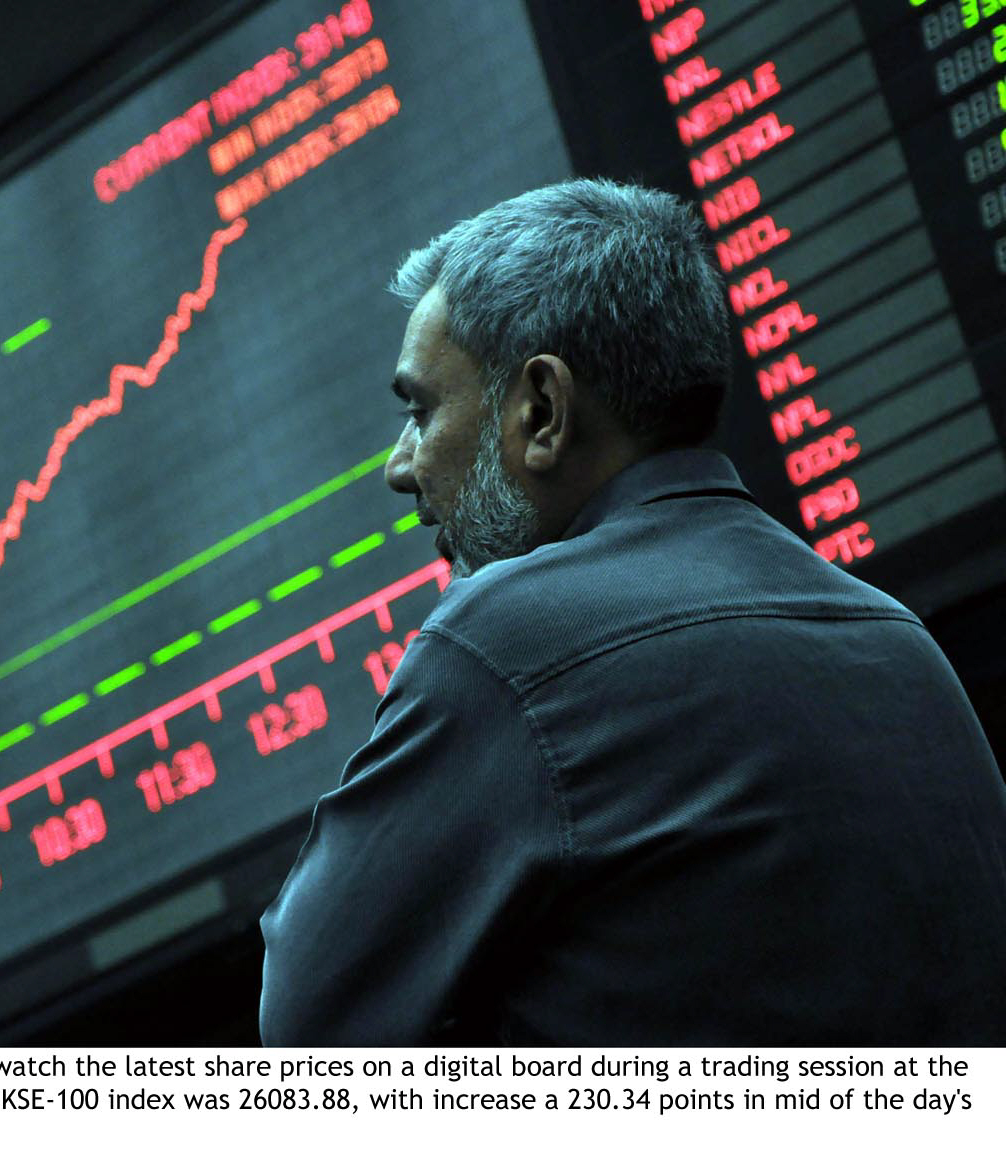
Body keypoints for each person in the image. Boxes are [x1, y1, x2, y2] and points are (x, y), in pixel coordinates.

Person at [259, 178, 1006, 1045]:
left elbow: (307, 1041)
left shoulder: (507, 645)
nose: (401, 465)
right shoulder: (895, 636)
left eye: (422, 410)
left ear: (542, 410)